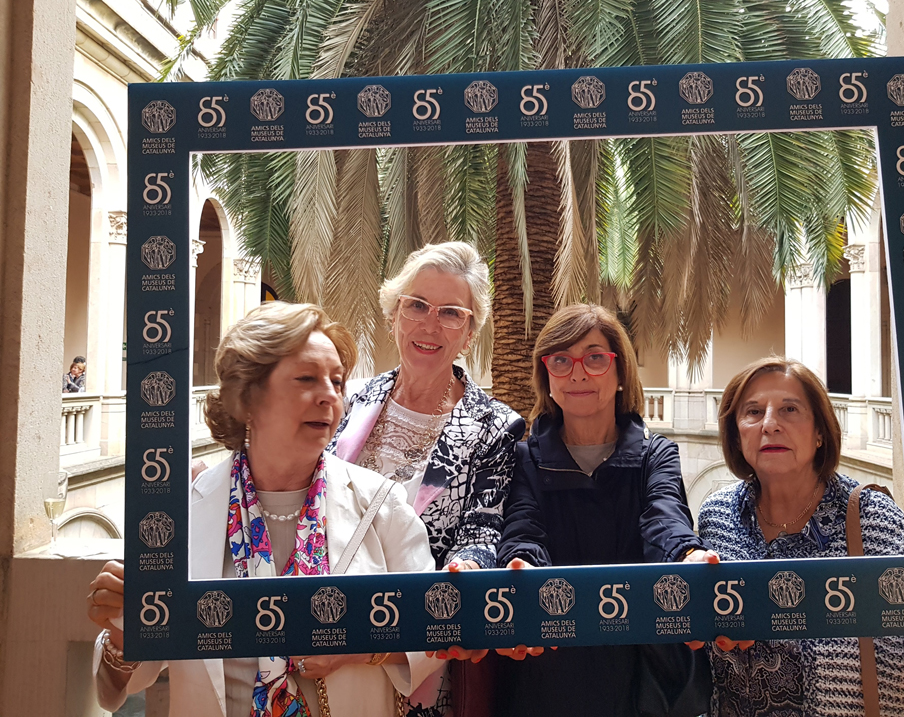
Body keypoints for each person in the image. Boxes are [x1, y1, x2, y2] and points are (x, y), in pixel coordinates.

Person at [87, 302, 444, 717]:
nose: (329, 396)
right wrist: (122, 629)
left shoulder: (382, 505)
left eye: (337, 381)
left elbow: (433, 631)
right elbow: (120, 684)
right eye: (306, 379)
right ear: (248, 397)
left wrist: (359, 650)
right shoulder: (181, 515)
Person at [694, 356, 904, 716]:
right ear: (736, 435)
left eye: (790, 409)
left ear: (820, 432)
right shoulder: (717, 516)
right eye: (752, 412)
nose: (769, 424)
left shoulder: (871, 520)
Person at [326, 241, 525, 713]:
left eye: (451, 313)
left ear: (470, 332)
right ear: (394, 313)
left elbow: (482, 531)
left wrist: (468, 570)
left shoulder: (496, 427)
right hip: (320, 638)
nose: (429, 325)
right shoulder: (348, 401)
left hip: (415, 657)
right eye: (417, 305)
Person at [494, 303, 714, 717]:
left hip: (641, 673)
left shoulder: (655, 454)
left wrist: (688, 555)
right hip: (551, 671)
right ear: (547, 376)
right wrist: (521, 565)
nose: (577, 374)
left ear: (620, 372)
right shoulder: (525, 458)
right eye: (561, 360)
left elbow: (664, 518)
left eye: (595, 358)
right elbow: (523, 530)